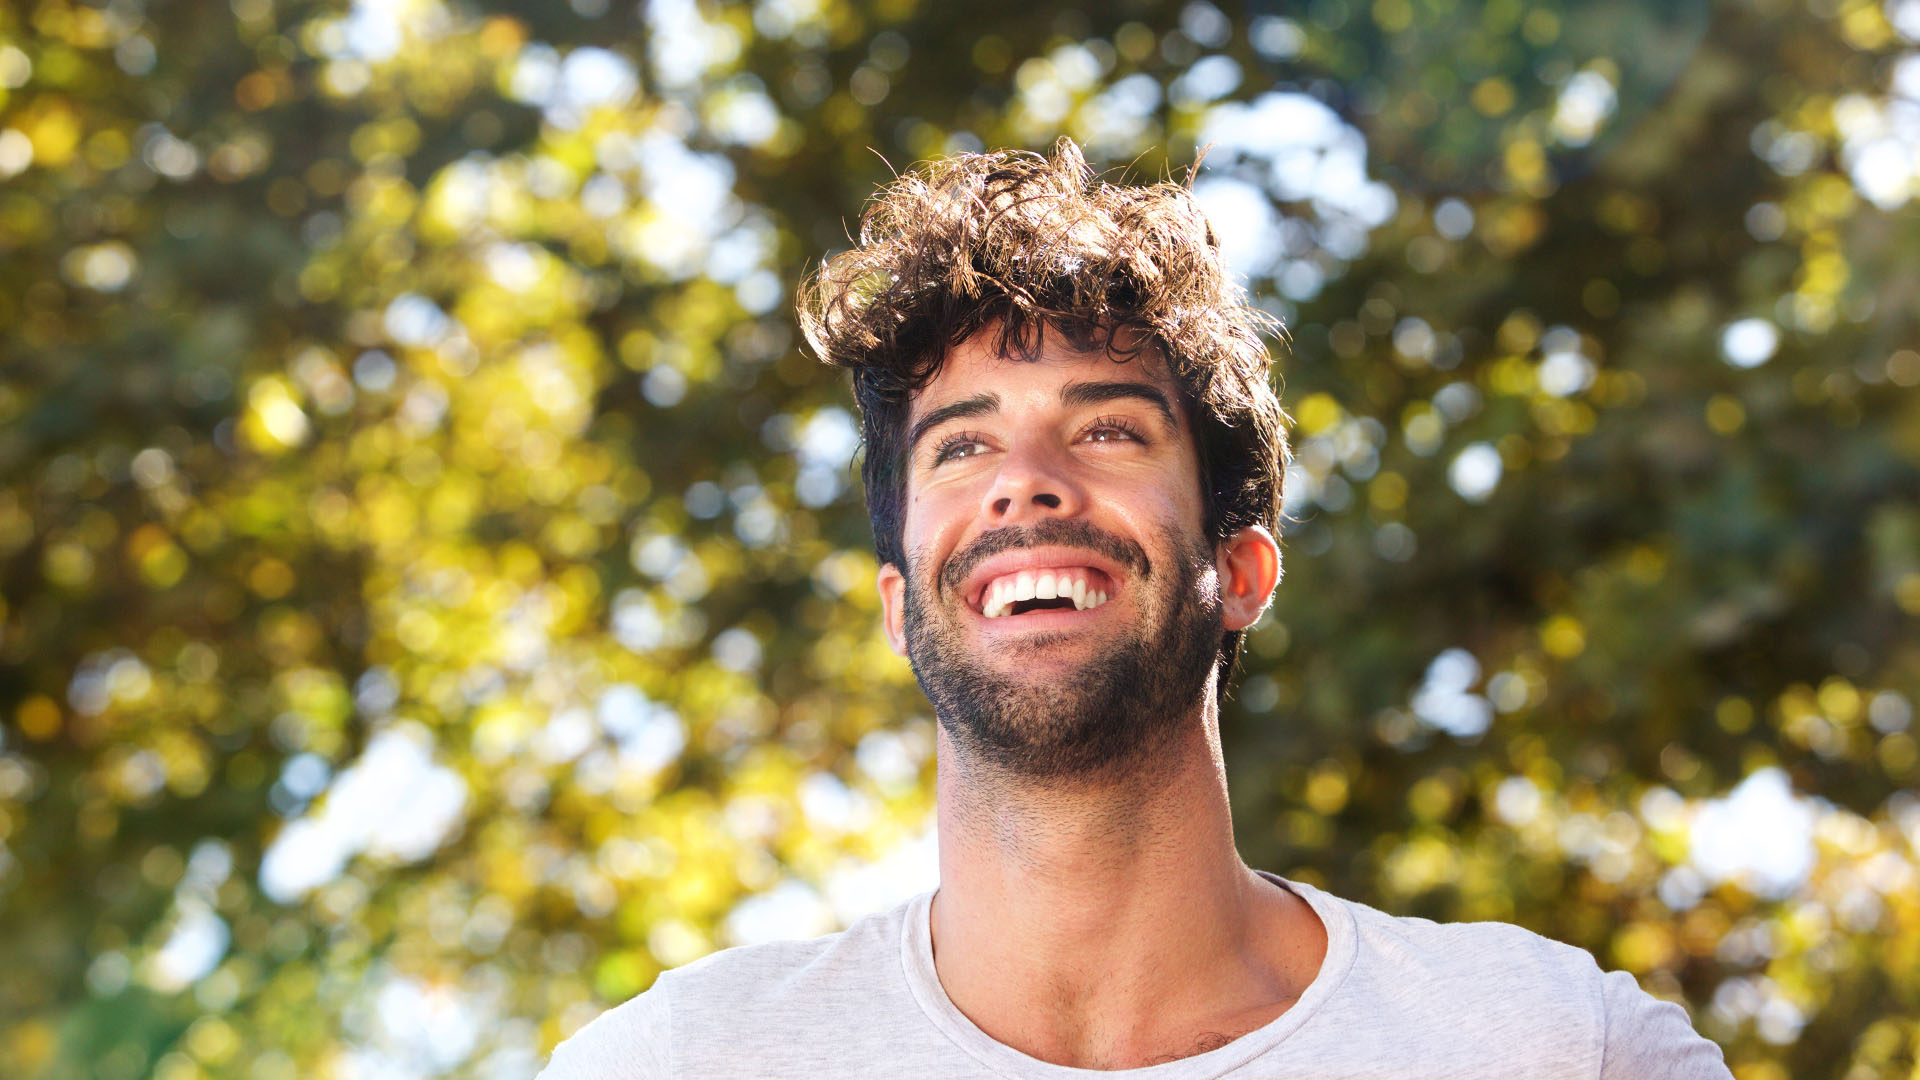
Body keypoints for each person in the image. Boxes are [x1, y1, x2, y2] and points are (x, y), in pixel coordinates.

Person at [537, 139, 1732, 1078]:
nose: (1027, 479)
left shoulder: (1552, 1049)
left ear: (1244, 575)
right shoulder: (685, 1061)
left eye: (1109, 428)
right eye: (961, 447)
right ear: (897, 607)